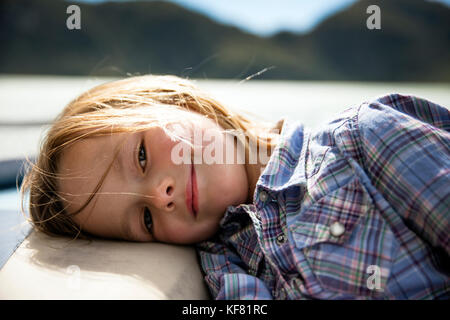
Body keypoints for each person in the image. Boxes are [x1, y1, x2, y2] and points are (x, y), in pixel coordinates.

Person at [20, 74, 449, 299]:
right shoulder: (222, 265)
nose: (158, 195)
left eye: (142, 156)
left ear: (178, 103)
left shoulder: (361, 141)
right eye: (145, 218)